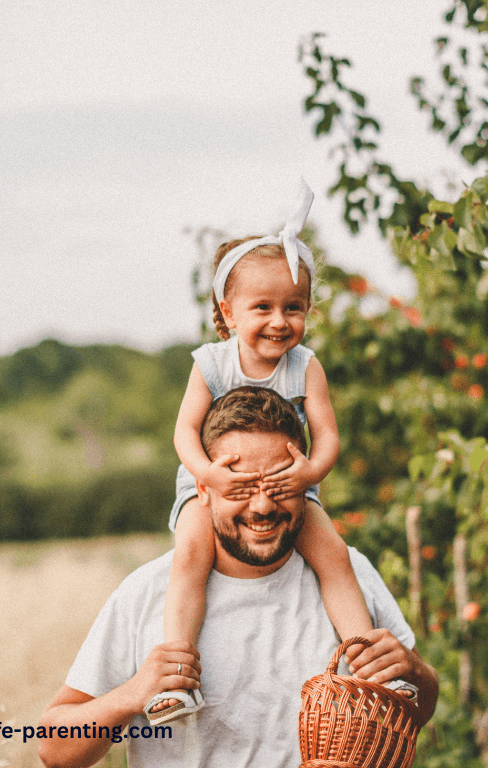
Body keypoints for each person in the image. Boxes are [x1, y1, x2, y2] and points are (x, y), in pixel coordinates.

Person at [37, 386, 438, 768]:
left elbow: (420, 709)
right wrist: (129, 696)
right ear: (202, 487)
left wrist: (414, 672)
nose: (262, 506)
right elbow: (54, 751)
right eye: (241, 489)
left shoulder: (350, 575)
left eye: (280, 485)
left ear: (307, 480)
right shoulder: (147, 592)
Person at [148, 181, 388, 725]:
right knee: (190, 556)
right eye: (263, 307)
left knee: (335, 559)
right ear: (228, 312)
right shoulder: (211, 362)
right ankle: (177, 677)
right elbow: (184, 431)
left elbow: (327, 435)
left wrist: (311, 472)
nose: (280, 321)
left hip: (289, 487)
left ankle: (367, 666)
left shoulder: (306, 366)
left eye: (294, 307)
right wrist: (208, 476)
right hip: (214, 486)